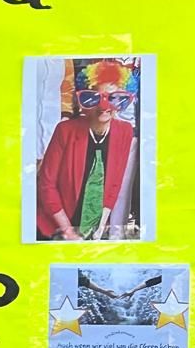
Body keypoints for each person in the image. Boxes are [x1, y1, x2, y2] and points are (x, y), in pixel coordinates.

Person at [36, 63, 135, 240]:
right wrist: (68, 231)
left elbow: (115, 183)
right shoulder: (65, 130)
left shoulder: (125, 131)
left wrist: (100, 225)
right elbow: (46, 184)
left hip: (91, 229)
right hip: (56, 225)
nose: (104, 106)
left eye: (112, 98)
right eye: (97, 97)